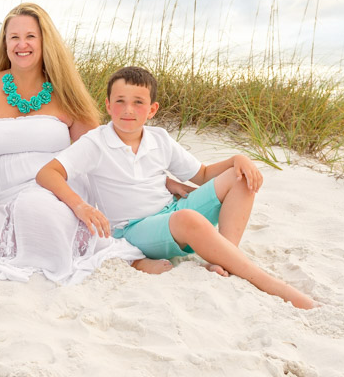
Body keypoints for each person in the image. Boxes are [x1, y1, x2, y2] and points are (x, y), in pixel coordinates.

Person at [36, 66, 315, 308]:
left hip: (173, 211)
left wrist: (237, 159)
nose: (128, 110)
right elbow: (48, 173)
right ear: (108, 105)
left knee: (239, 177)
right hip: (134, 228)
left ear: (152, 109)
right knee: (186, 218)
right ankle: (270, 284)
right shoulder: (96, 142)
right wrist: (81, 205)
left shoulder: (160, 138)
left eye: (138, 102)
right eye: (119, 101)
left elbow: (203, 174)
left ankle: (225, 256)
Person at [0, 3, 146, 284]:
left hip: (53, 187)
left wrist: (154, 176)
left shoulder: (63, 89)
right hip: (0, 191)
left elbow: (98, 146)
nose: (22, 44)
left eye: (30, 36)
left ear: (45, 41)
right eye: (13, 37)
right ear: (5, 43)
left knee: (37, 208)